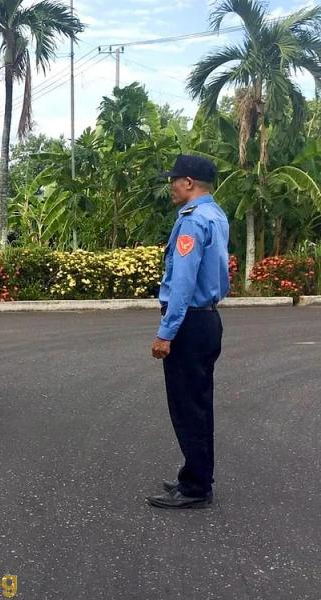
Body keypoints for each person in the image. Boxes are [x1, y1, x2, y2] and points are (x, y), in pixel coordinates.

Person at [146, 154, 229, 510]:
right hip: (208, 319)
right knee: (200, 403)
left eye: (174, 180)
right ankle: (196, 475)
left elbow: (182, 283)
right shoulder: (217, 215)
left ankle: (195, 487)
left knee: (187, 407)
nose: (171, 186)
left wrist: (166, 333)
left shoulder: (192, 222)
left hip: (190, 323)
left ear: (190, 182)